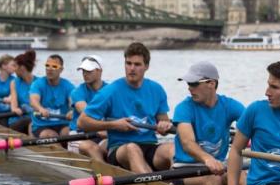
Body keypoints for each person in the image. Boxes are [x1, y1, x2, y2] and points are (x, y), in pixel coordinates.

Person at [78, 42, 174, 172]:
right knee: (132, 149)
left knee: (171, 148)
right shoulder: (110, 91)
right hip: (120, 148)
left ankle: (177, 184)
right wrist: (114, 125)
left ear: (146, 66)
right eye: (128, 63)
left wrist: (165, 126)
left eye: (137, 64)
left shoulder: (157, 89)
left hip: (149, 145)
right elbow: (82, 122)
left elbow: (164, 120)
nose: (132, 68)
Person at [171, 61, 245, 185]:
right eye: (188, 84)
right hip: (185, 169)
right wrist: (207, 159)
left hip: (218, 167)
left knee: (241, 176)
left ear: (211, 83)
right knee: (212, 179)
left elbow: (252, 125)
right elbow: (188, 144)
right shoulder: (184, 108)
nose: (189, 88)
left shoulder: (230, 105)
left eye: (194, 84)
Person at [69, 55, 109, 161]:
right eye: (83, 71)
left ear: (99, 70)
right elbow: (89, 115)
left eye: (89, 71)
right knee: (93, 148)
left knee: (116, 146)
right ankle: (103, 176)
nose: (85, 74)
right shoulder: (77, 92)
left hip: (102, 134)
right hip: (79, 135)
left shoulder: (110, 90)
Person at [29, 54, 76, 139]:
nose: (49, 69)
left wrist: (73, 110)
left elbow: (74, 101)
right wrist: (40, 109)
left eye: (54, 66)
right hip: (42, 125)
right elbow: (33, 101)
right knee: (50, 136)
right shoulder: (38, 84)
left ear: (61, 69)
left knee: (70, 134)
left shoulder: (68, 85)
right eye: (47, 65)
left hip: (62, 123)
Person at [8, 50, 37, 134]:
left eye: (15, 66)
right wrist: (16, 109)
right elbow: (14, 106)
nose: (13, 70)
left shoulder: (39, 83)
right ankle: (34, 146)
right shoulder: (14, 83)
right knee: (31, 122)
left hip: (36, 118)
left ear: (22, 67)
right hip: (17, 120)